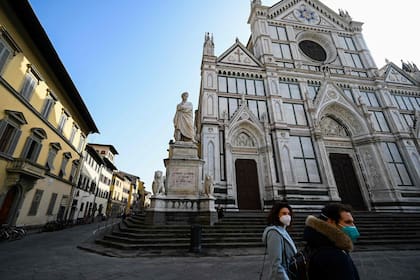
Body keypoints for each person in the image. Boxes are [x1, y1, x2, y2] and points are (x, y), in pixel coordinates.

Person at [303, 203, 360, 280]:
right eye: (348, 222)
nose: (353, 226)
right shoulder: (333, 254)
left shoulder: (317, 242)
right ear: (331, 222)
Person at [262, 203, 297, 280]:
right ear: (277, 215)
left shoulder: (283, 231)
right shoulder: (274, 233)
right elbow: (276, 264)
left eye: (289, 214)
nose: (287, 216)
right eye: (284, 213)